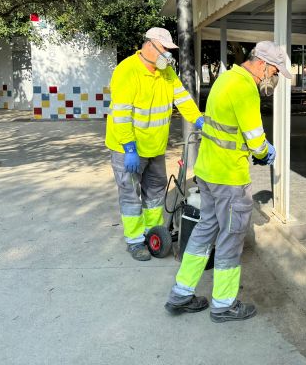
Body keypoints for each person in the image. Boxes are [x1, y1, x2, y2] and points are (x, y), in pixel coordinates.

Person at [164, 40, 292, 321]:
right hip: (229, 178)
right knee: (231, 239)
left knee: (203, 232)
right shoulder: (246, 88)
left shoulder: (225, 79)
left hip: (208, 172)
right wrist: (264, 151)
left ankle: (181, 293)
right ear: (262, 64)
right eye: (273, 72)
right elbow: (255, 138)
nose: (272, 78)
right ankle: (223, 305)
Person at [106, 27, 204, 261]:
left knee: (155, 193)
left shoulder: (167, 72)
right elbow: (121, 114)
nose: (168, 56)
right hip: (128, 148)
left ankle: (152, 233)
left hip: (155, 148)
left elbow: (182, 98)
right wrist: (129, 147)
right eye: (165, 50)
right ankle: (134, 240)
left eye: (170, 52)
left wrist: (199, 120)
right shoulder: (126, 71)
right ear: (149, 45)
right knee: (130, 195)